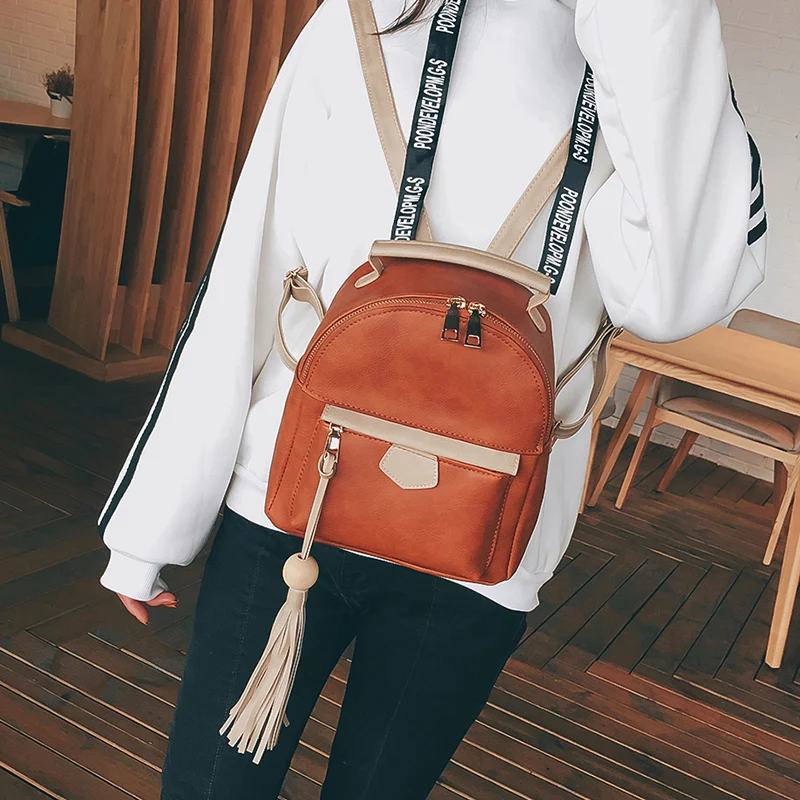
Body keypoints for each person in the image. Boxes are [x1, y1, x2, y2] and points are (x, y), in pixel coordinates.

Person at [97, 1, 767, 798]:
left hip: (482, 535)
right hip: (295, 503)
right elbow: (250, 260)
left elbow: (673, 300)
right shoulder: (360, 15)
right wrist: (151, 525)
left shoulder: (642, 44)